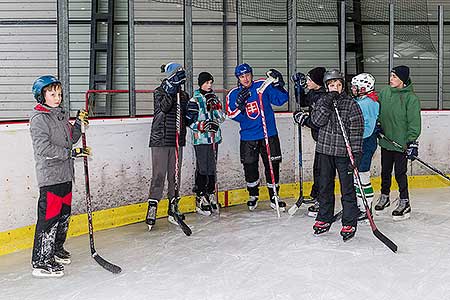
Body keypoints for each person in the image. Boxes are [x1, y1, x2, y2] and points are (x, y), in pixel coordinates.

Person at [30, 75, 90, 278]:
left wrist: (79, 124)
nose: (57, 98)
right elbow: (42, 147)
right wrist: (70, 154)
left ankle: (55, 249)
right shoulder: (39, 118)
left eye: (59, 94)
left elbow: (71, 139)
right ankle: (41, 261)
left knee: (63, 216)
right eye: (52, 93)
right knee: (49, 219)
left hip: (66, 174)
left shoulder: (60, 115)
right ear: (42, 95)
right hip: (51, 176)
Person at [296, 69, 364, 241]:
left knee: (347, 189)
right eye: (332, 85)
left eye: (339, 85)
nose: (336, 88)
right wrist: (326, 103)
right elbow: (317, 122)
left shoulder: (351, 104)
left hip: (343, 153)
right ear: (326, 87)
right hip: (325, 151)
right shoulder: (322, 102)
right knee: (324, 187)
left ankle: (349, 221)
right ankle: (324, 217)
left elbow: (356, 131)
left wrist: (356, 154)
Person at [226, 63, 289, 211]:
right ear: (238, 78)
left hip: (269, 134)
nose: (245, 79)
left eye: (247, 75)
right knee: (250, 167)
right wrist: (239, 105)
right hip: (248, 137)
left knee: (272, 166)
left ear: (251, 74)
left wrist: (279, 86)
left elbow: (281, 100)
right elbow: (232, 115)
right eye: (242, 76)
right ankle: (253, 195)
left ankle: (274, 196)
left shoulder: (263, 86)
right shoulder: (234, 94)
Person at [146, 62, 195, 230]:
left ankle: (173, 207)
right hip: (160, 140)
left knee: (175, 175)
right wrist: (171, 88)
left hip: (176, 141)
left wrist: (191, 116)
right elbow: (164, 108)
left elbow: (185, 120)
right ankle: (152, 207)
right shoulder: (159, 92)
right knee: (159, 174)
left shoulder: (184, 95)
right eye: (178, 73)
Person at [374, 65, 421, 221]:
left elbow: (414, 123)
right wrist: (378, 124)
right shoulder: (385, 92)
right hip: (387, 141)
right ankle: (385, 196)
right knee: (385, 171)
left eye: (394, 77)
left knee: (400, 173)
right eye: (390, 76)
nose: (391, 79)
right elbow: (378, 111)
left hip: (401, 144)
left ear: (403, 79)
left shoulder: (411, 98)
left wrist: (412, 142)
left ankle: (404, 201)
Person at [187, 72, 225, 215]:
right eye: (206, 83)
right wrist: (202, 125)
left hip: (213, 139)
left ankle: (210, 193)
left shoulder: (214, 98)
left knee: (212, 168)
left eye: (211, 83)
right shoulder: (194, 100)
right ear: (200, 83)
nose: (209, 85)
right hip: (201, 139)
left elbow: (221, 118)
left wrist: (215, 107)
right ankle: (200, 196)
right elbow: (189, 122)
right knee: (203, 168)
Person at [292, 67, 327, 217]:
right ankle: (317, 193)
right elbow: (304, 101)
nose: (307, 82)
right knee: (317, 169)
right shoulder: (314, 93)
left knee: (324, 171)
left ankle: (322, 200)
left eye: (309, 80)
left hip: (327, 140)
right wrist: (298, 88)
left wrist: (304, 120)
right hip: (319, 139)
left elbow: (319, 121)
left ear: (317, 82)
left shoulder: (324, 97)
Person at [350, 73, 380, 222]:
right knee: (357, 178)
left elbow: (367, 129)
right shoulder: (364, 101)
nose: (352, 89)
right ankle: (361, 205)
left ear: (363, 88)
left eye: (355, 87)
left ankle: (366, 208)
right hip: (362, 144)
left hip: (364, 144)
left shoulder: (366, 103)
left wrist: (353, 136)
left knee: (362, 177)